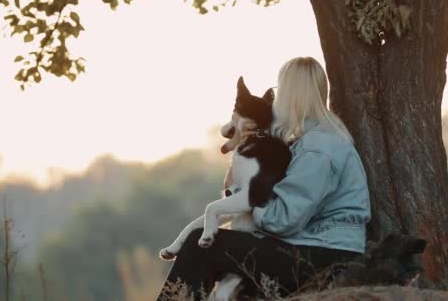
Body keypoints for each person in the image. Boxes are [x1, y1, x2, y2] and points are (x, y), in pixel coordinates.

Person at [156, 56, 371, 300]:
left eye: (279, 89)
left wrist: (246, 194)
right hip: (313, 247)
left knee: (201, 244)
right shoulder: (305, 141)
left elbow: (282, 220)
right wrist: (246, 148)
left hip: (325, 255)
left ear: (291, 95)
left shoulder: (319, 148)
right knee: (214, 249)